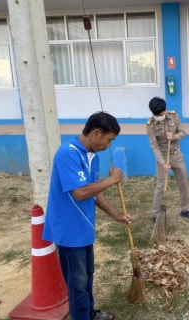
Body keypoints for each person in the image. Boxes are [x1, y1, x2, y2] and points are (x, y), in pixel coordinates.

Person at [43, 112, 131, 320]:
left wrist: (116, 215)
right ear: (97, 133)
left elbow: (94, 191)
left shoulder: (92, 157)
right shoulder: (68, 154)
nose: (109, 145)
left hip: (85, 229)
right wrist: (112, 181)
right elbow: (81, 192)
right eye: (109, 140)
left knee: (87, 277)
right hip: (69, 232)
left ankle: (89, 314)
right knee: (77, 284)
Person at [146, 96, 189, 222]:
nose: (159, 116)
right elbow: (154, 146)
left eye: (161, 114)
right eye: (156, 115)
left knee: (184, 183)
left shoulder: (174, 116)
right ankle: (157, 214)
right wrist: (163, 163)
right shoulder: (150, 124)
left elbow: (183, 133)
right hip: (163, 157)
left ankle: (186, 210)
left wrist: (174, 136)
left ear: (165, 109)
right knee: (161, 186)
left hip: (177, 156)